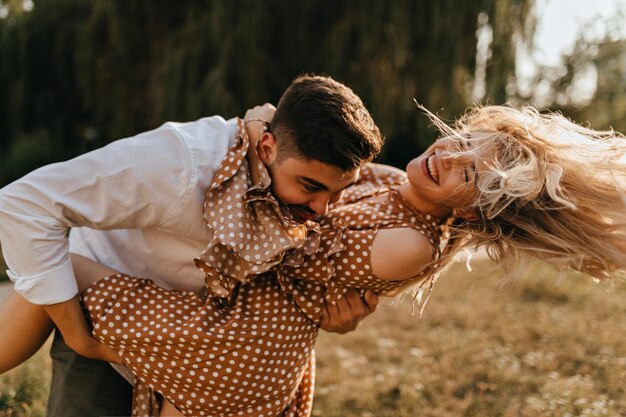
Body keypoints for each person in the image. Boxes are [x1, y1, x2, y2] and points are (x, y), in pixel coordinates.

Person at [5, 103, 626, 416]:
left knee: (61, 271)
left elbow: (296, 251)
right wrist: (266, 126)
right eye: (465, 141)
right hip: (253, 329)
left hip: (246, 341)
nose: (448, 153)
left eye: (468, 171)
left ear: (471, 214)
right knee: (56, 273)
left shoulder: (413, 239)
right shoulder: (394, 183)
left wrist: (255, 151)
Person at [0, 74, 385, 417]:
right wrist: (79, 336)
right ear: (266, 147)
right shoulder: (180, 164)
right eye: (311, 187)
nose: (322, 209)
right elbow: (25, 204)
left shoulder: (293, 176)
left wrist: (332, 311)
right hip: (106, 319)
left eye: (337, 191)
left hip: (203, 348)